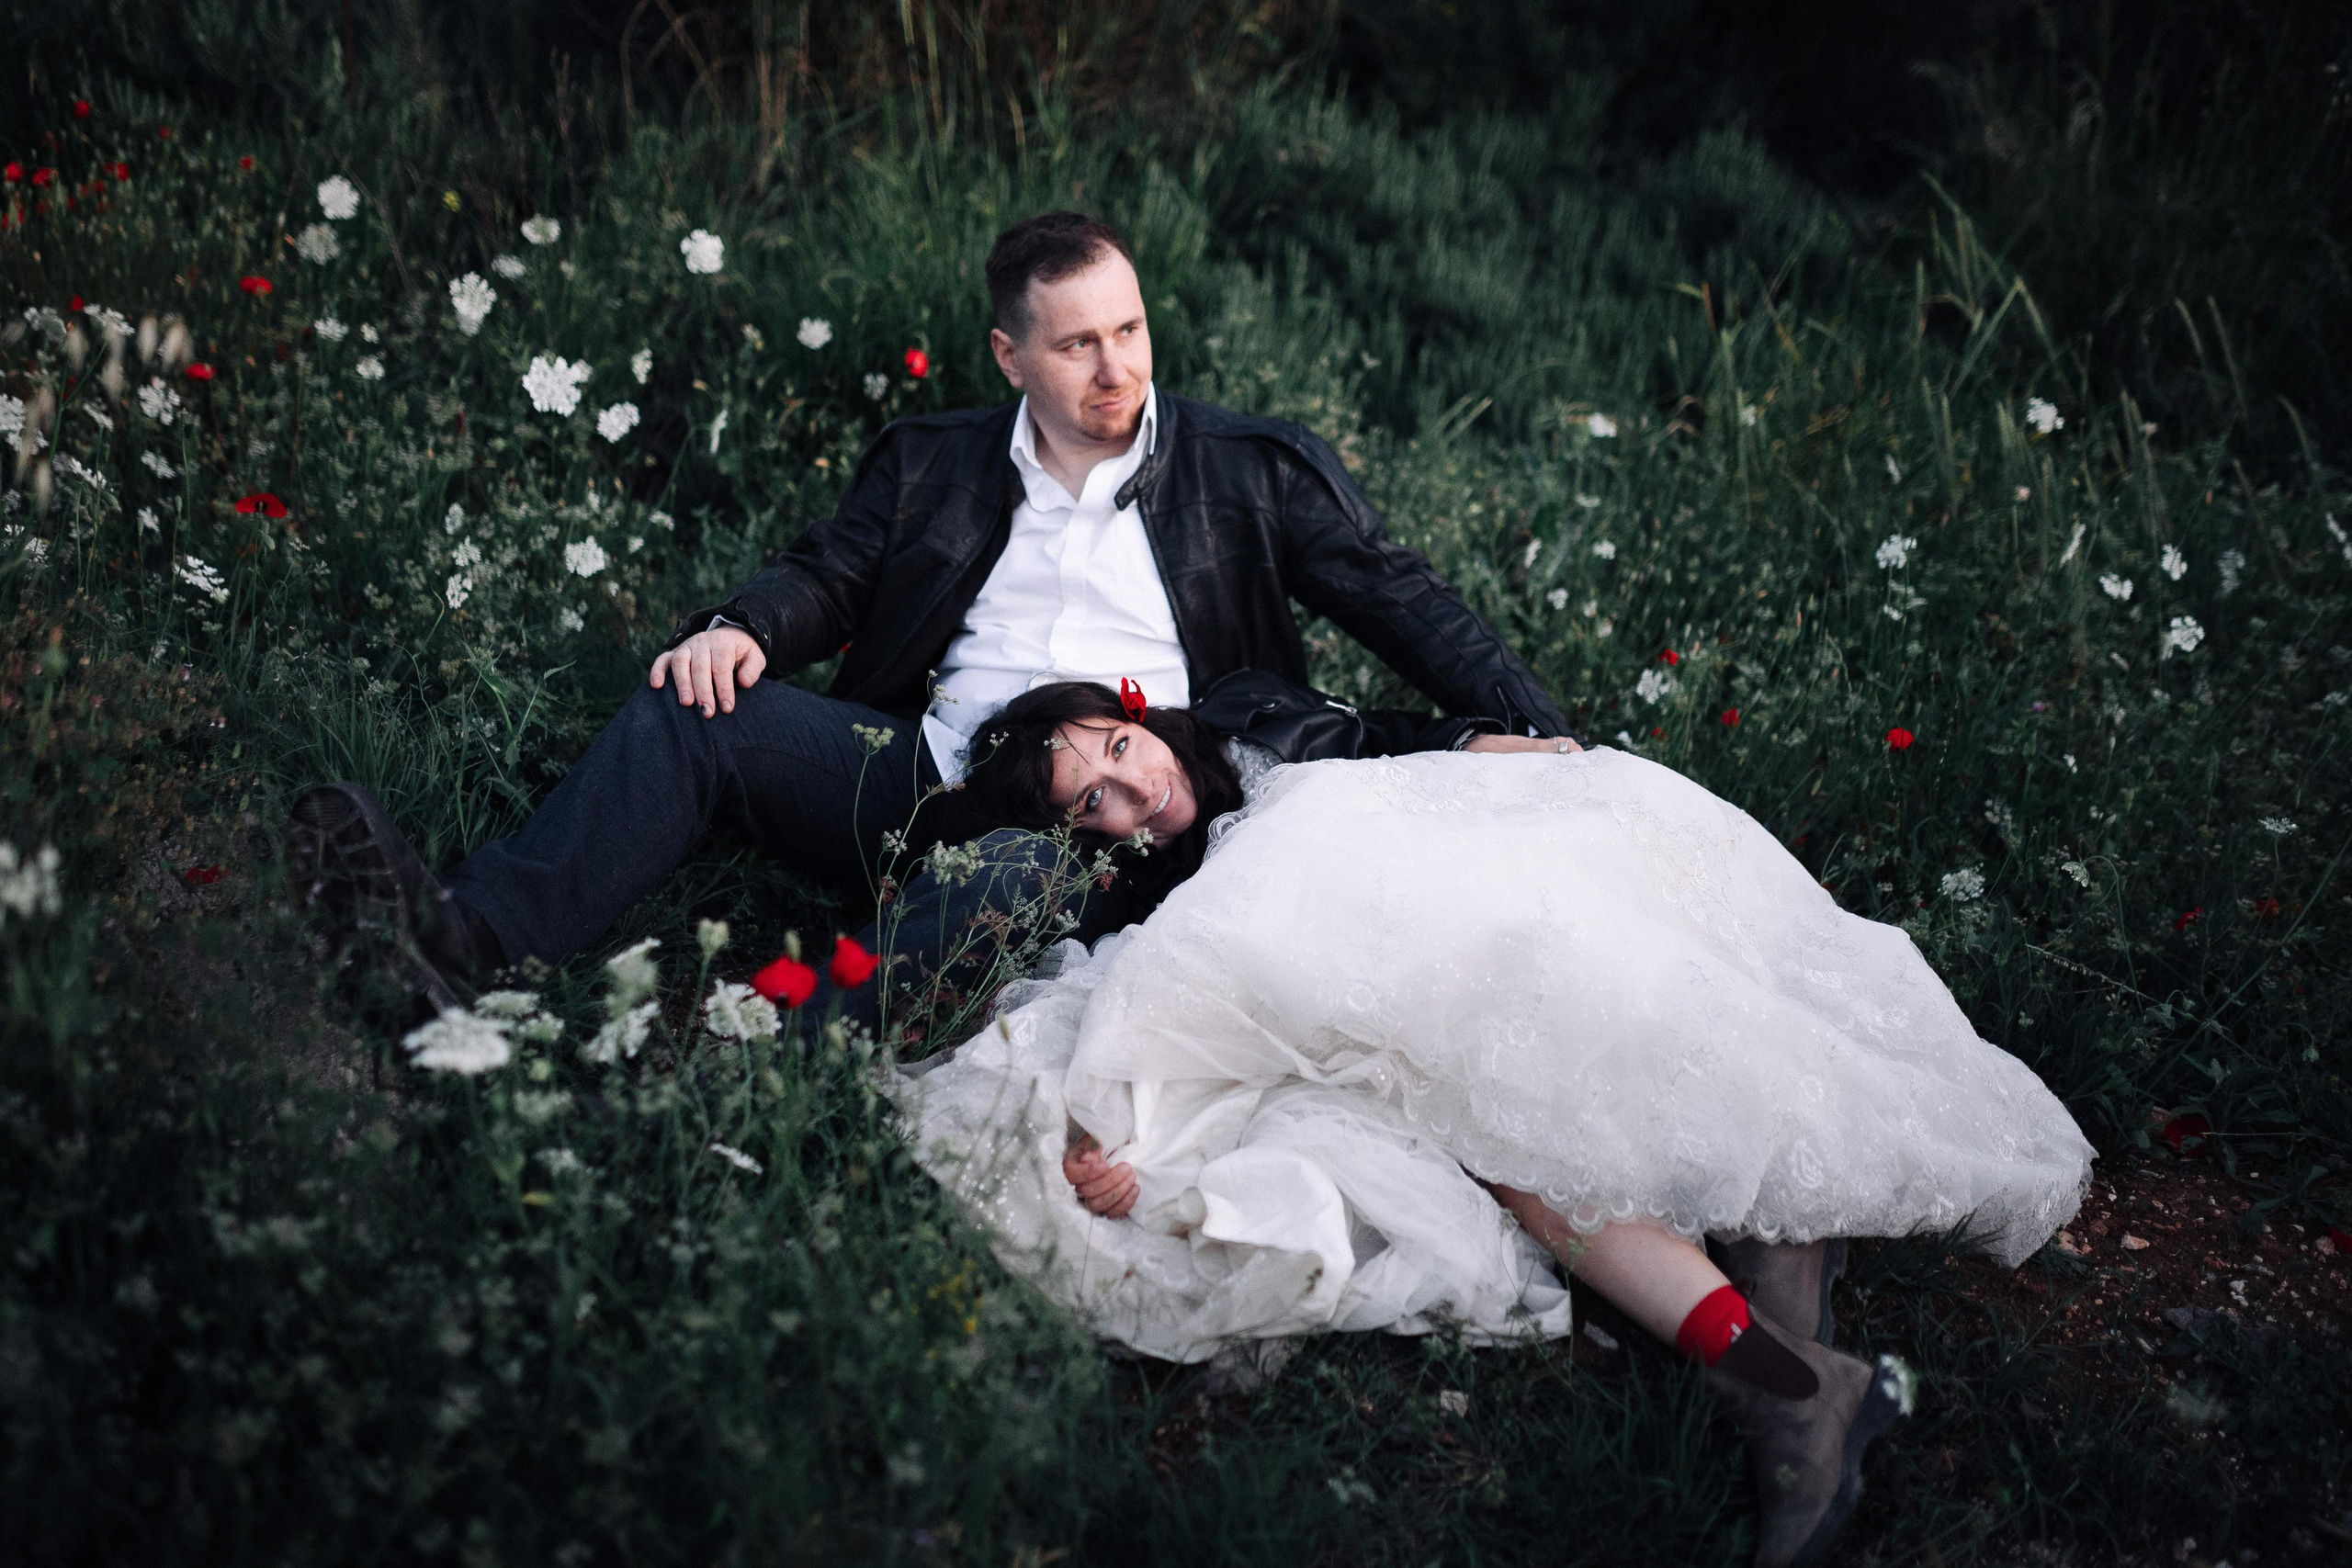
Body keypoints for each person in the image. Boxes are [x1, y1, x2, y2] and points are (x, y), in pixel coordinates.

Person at [897, 677, 2096, 1568]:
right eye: (1093, 800)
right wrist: (1102, 1138)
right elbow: (1192, 1014)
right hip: (1418, 985)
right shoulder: (1166, 892)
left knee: (1640, 1035)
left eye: (1117, 747)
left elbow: (1381, 739)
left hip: (1486, 871)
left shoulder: (1250, 719)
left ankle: (1786, 1337)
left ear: (1137, 710)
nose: (1128, 785)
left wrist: (1484, 739)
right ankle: (1788, 1380)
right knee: (1528, 1142)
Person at [287, 207, 1569, 1030]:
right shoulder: (933, 459)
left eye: (1128, 331)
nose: (1116, 369)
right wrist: (745, 627)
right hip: (923, 771)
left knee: (1015, 873)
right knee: (696, 711)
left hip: (1120, 810)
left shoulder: (1244, 469)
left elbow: (1400, 597)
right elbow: (832, 577)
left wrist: (1538, 738)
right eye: (1077, 345)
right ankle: (460, 941)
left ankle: (773, 1067)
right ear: (1012, 357)